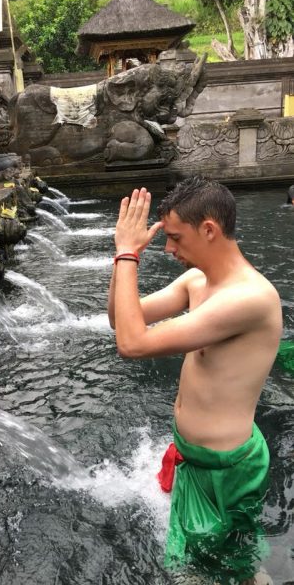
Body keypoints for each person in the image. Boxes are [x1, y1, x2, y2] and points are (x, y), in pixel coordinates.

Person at [108, 176, 282, 584]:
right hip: (194, 457)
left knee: (231, 571)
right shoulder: (196, 283)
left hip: (227, 472)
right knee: (205, 567)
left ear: (208, 230)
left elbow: (132, 345)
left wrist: (128, 255)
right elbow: (119, 319)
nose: (168, 249)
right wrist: (120, 257)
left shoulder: (250, 298)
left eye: (175, 238)